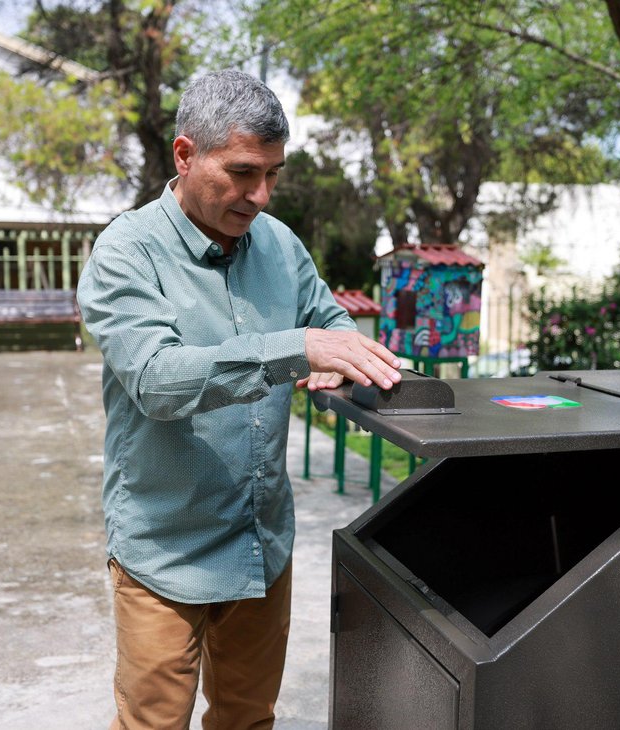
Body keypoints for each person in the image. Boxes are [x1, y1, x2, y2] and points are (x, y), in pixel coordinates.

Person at [76, 68, 402, 730]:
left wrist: (336, 357)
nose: (261, 195)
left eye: (273, 175)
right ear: (185, 154)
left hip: (260, 542)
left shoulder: (279, 247)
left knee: (248, 720)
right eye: (244, 172)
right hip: (164, 551)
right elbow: (157, 379)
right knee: (152, 724)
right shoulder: (127, 252)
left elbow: (327, 320)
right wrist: (296, 351)